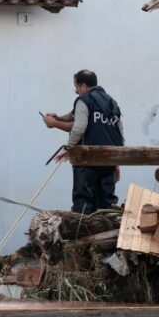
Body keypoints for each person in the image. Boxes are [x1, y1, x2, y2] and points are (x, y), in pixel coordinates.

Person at [42, 70, 125, 213]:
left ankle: (83, 233)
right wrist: (58, 117)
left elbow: (79, 127)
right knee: (107, 205)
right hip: (109, 160)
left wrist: (67, 146)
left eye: (77, 87)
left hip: (88, 161)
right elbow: (119, 132)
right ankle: (108, 232)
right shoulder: (111, 102)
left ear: (84, 86)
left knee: (84, 205)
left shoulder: (84, 99)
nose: (76, 91)